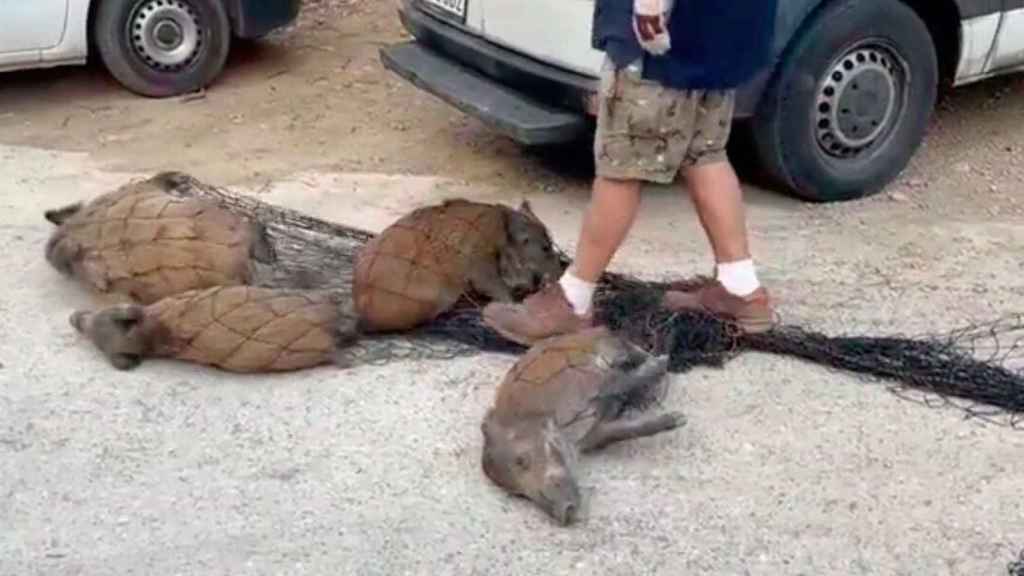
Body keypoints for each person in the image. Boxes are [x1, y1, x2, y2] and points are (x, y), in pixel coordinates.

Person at [482, 0, 779, 345]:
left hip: (660, 38)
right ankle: (740, 288)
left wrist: (650, 7)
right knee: (704, 153)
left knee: (621, 168)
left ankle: (572, 302)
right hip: (721, 33)